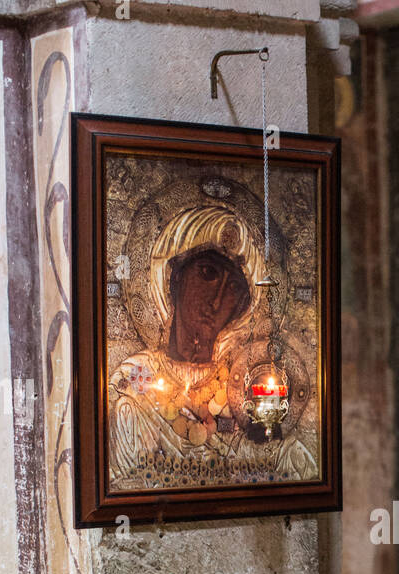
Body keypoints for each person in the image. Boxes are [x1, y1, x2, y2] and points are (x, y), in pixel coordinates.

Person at [109, 203, 317, 489]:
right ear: (176, 275)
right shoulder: (134, 381)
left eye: (233, 288)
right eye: (207, 273)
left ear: (244, 305)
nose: (217, 301)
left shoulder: (242, 382)